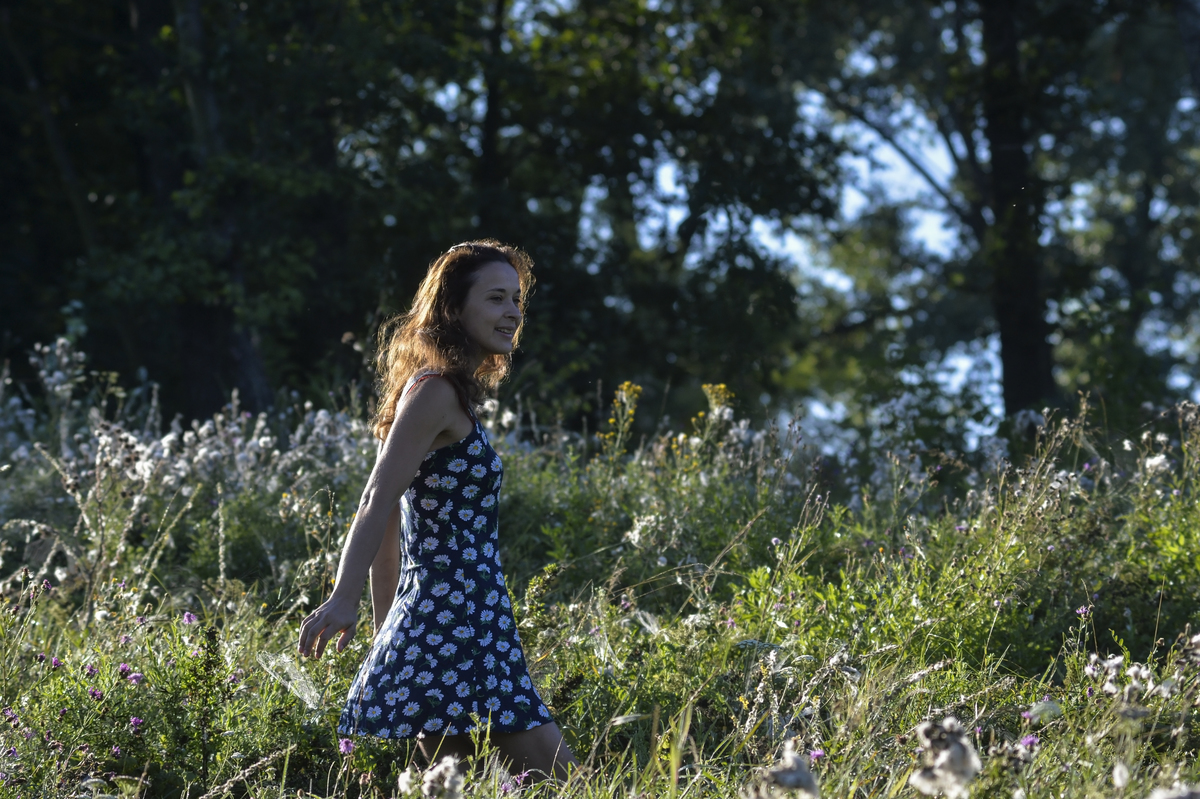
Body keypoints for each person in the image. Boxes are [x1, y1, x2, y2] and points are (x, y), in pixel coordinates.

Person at [297, 240, 580, 781]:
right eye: (496, 298)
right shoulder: (433, 392)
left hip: (460, 623)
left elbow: (394, 523)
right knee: (571, 786)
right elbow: (377, 497)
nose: (513, 312)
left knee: (456, 788)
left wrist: (389, 629)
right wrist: (343, 598)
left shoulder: (448, 395)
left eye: (517, 299)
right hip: (461, 628)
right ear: (453, 308)